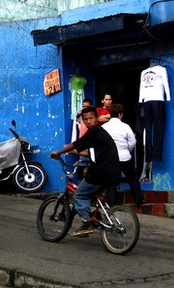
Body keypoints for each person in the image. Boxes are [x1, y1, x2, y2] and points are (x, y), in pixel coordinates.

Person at [51, 106, 120, 236]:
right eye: (85, 119)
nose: (88, 121)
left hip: (101, 172)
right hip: (113, 172)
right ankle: (93, 218)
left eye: (91, 118)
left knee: (79, 195)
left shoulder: (94, 132)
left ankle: (86, 222)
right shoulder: (101, 133)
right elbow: (87, 151)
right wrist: (73, 150)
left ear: (97, 119)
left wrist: (59, 152)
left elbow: (76, 143)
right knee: (88, 194)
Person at [103, 103, 144, 207]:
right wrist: (127, 150)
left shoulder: (104, 127)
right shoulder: (125, 126)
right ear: (120, 114)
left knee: (111, 181)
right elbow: (133, 141)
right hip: (125, 157)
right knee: (133, 178)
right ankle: (138, 200)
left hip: (111, 159)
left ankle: (111, 205)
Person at [71, 98, 93, 181]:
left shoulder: (92, 117)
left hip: (91, 143)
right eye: (84, 107)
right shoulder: (81, 117)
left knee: (90, 164)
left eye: (87, 107)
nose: (85, 108)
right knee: (83, 164)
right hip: (83, 143)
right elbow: (76, 123)